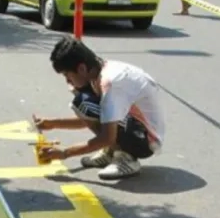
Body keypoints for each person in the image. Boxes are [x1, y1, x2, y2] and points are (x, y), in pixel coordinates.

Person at [34, 37, 165, 180]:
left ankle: (126, 158)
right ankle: (111, 152)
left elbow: (107, 137)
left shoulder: (109, 83)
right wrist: (53, 123)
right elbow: (91, 118)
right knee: (84, 101)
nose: (67, 81)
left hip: (145, 141)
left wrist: (65, 153)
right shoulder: (100, 71)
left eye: (67, 75)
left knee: (83, 102)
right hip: (135, 126)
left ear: (82, 69)